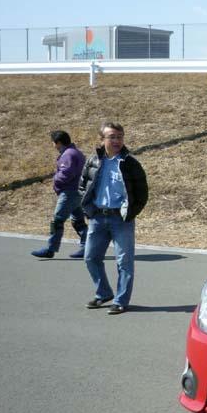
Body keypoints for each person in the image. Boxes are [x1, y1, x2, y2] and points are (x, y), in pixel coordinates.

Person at [78, 122, 149, 315]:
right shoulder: (93, 161)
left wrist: (130, 213)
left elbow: (142, 193)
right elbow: (83, 186)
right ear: (102, 140)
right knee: (90, 258)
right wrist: (89, 210)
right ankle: (103, 293)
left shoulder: (130, 163)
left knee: (124, 262)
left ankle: (121, 301)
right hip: (97, 217)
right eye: (112, 137)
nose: (117, 140)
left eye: (119, 137)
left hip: (121, 219)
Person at [30, 130, 88, 259]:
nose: (53, 145)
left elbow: (66, 173)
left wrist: (56, 178)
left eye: (53, 142)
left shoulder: (68, 154)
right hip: (77, 191)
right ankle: (88, 246)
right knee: (78, 220)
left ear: (58, 143)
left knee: (57, 220)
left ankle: (50, 249)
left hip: (69, 192)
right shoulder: (76, 152)